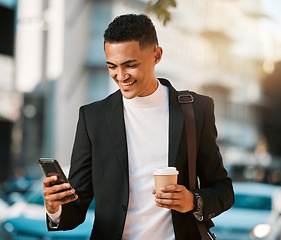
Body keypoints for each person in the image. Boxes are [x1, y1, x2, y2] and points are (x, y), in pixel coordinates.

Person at [43, 14, 234, 240]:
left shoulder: (195, 110)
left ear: (157, 55)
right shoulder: (92, 118)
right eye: (112, 66)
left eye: (130, 65)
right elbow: (76, 209)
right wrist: (55, 207)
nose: (121, 76)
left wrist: (193, 201)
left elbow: (223, 190)